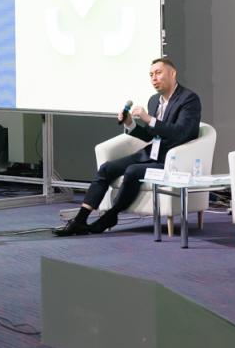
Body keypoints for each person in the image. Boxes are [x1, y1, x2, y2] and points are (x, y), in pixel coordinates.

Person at [54, 58, 202, 236]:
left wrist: (149, 119)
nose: (154, 78)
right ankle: (80, 220)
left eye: (158, 73)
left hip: (172, 160)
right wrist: (130, 123)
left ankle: (111, 215)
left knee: (133, 171)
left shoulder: (189, 99)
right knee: (106, 168)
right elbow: (150, 135)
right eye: (151, 75)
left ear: (172, 73)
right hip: (150, 154)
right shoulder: (154, 101)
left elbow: (181, 132)